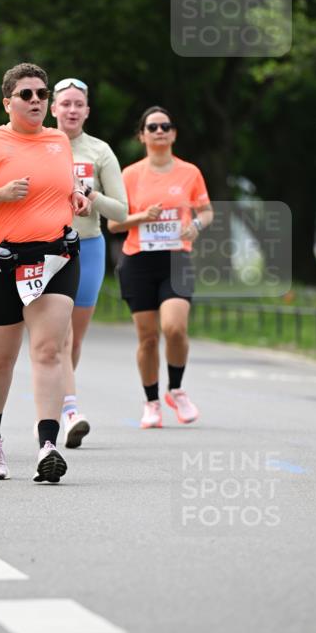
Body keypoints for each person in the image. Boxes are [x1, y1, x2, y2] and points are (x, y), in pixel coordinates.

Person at [0, 62, 91, 483]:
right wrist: (0, 194)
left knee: (48, 350)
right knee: (0, 358)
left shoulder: (57, 141)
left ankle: (48, 446)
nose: (35, 101)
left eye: (41, 94)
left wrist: (78, 197)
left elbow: (64, 188)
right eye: (26, 94)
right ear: (7, 101)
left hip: (54, 258)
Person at [108, 106, 213, 427]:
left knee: (175, 328)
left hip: (176, 259)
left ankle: (177, 390)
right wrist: (142, 217)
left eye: (166, 126)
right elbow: (114, 223)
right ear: (142, 135)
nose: (159, 131)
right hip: (138, 261)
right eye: (152, 127)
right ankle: (152, 401)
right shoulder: (129, 175)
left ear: (174, 133)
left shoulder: (189, 172)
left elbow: (206, 211)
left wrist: (196, 225)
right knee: (148, 338)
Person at [51, 77, 128, 448]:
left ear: (87, 111)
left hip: (89, 246)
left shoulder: (99, 151)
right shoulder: (39, 143)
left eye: (78, 104)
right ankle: (69, 410)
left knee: (74, 339)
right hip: (47, 247)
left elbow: (123, 211)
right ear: (53, 109)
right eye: (64, 103)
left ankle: (60, 399)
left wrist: (91, 194)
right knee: (61, 336)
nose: (71, 110)